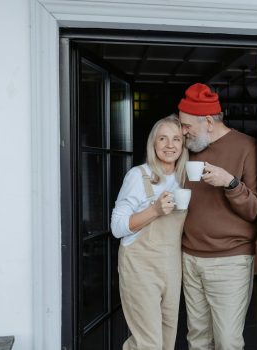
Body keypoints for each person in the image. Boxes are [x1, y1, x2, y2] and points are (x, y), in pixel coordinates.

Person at [178, 83, 257, 350]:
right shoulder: (188, 147)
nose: (183, 131)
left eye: (186, 125)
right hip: (189, 257)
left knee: (227, 341)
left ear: (209, 122)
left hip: (230, 260)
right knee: (197, 339)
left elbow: (255, 211)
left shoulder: (247, 147)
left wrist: (231, 183)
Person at [111, 115, 189, 350]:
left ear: (182, 145)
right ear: (153, 144)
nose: (169, 145)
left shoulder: (185, 179)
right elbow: (117, 227)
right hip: (140, 267)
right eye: (162, 138)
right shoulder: (138, 176)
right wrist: (154, 210)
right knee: (148, 343)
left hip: (172, 267)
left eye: (176, 139)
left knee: (167, 340)